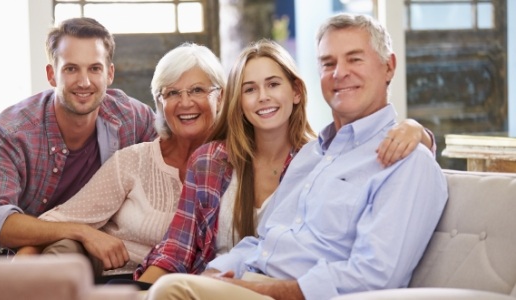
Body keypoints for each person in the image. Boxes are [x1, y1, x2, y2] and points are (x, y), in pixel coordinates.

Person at [143, 13, 448, 300]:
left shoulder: (407, 161)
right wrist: (215, 274)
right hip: (252, 279)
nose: (340, 73)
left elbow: (374, 276)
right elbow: (262, 241)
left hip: (294, 293)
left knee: (172, 292)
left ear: (389, 66)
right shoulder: (314, 156)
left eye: (354, 59)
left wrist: (267, 290)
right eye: (328, 63)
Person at [0, 17, 157, 258]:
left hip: (63, 253)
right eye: (71, 68)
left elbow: (176, 155)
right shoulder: (11, 130)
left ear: (109, 73)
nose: (84, 81)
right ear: (51, 74)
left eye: (94, 68)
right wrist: (81, 232)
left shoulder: (132, 119)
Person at [16, 42, 226, 284]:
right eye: (172, 93)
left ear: (219, 97)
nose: (185, 102)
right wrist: (15, 278)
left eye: (198, 90)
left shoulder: (235, 164)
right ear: (159, 103)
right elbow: (59, 221)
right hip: (116, 279)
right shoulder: (133, 161)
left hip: (182, 286)